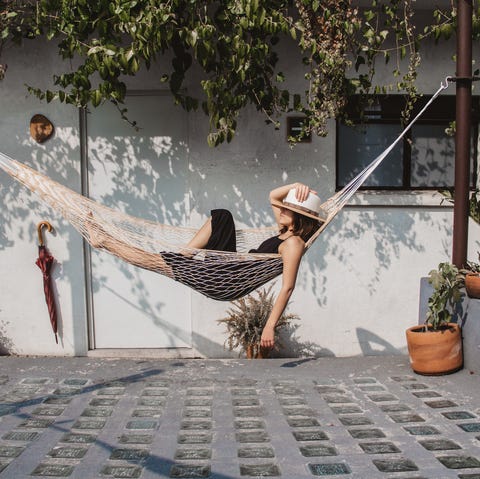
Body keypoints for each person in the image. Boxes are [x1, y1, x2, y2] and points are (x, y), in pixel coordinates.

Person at [88, 182, 326, 349]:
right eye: (286, 206)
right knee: (222, 217)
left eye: (289, 208)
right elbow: (274, 195)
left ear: (301, 216)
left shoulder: (294, 243)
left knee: (157, 262)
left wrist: (269, 326)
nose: (282, 208)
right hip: (229, 268)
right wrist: (295, 186)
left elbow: (287, 288)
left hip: (228, 281)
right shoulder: (285, 231)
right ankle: (185, 255)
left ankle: (104, 241)